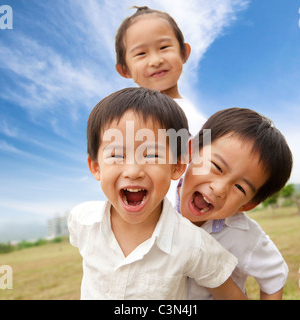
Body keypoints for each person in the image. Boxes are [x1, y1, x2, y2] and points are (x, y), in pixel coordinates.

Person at [68, 87, 246, 300]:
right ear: (96, 167)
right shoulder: (82, 221)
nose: (133, 171)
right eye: (116, 154)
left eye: (152, 154)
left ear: (177, 166)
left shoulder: (192, 243)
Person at [177, 107, 293, 300]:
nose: (220, 189)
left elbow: (275, 276)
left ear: (247, 205)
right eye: (216, 166)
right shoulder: (157, 201)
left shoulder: (244, 235)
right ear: (191, 151)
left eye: (240, 188)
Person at [115, 6, 206, 136]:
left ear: (183, 53)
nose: (156, 61)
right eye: (141, 53)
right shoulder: (124, 122)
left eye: (164, 47)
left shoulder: (201, 123)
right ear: (125, 70)